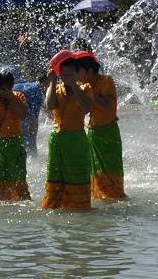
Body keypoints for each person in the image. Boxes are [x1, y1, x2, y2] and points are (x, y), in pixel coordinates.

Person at [42, 55, 93, 211]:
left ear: (77, 74)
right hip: (57, 140)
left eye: (71, 75)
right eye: (64, 75)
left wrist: (75, 87)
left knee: (77, 176)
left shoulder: (85, 88)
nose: (67, 78)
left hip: (76, 140)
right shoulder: (56, 89)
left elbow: (86, 109)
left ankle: (79, 208)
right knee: (55, 176)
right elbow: (49, 106)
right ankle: (54, 207)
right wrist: (51, 82)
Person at [76, 52, 127, 201]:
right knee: (95, 173)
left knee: (112, 171)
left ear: (90, 70)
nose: (77, 76)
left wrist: (89, 93)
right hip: (93, 134)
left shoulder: (106, 81)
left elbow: (107, 106)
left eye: (79, 71)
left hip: (108, 133)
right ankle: (100, 199)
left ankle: (117, 201)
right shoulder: (83, 86)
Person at [0, 71, 30, 202]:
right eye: (0, 88)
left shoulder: (18, 96)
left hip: (16, 145)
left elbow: (22, 114)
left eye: (6, 88)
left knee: (19, 180)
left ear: (11, 87)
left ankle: (21, 202)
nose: (3, 91)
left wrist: (10, 98)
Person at [11, 69, 47, 157]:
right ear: (45, 83)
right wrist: (35, 151)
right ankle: (31, 157)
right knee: (27, 136)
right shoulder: (37, 93)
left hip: (7, 105)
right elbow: (33, 122)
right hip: (15, 108)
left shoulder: (33, 86)